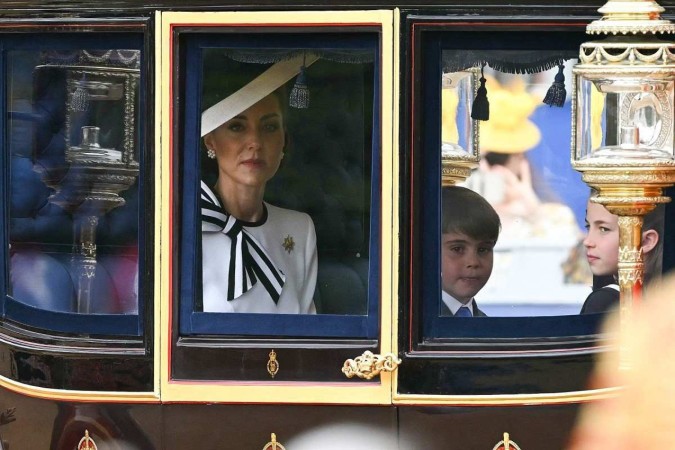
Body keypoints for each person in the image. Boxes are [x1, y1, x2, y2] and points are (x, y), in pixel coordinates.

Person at [199, 55, 318, 314]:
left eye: (269, 127)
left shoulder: (300, 229)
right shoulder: (187, 229)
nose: (255, 141)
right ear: (210, 141)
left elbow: (309, 335)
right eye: (237, 127)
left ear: (284, 140)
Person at [579, 193, 662, 315]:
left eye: (604, 229)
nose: (587, 241)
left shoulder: (605, 301)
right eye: (588, 226)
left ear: (645, 241)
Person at [440, 186, 501, 317]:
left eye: (483, 249)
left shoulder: (488, 327)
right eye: (457, 249)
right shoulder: (410, 324)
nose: (473, 262)